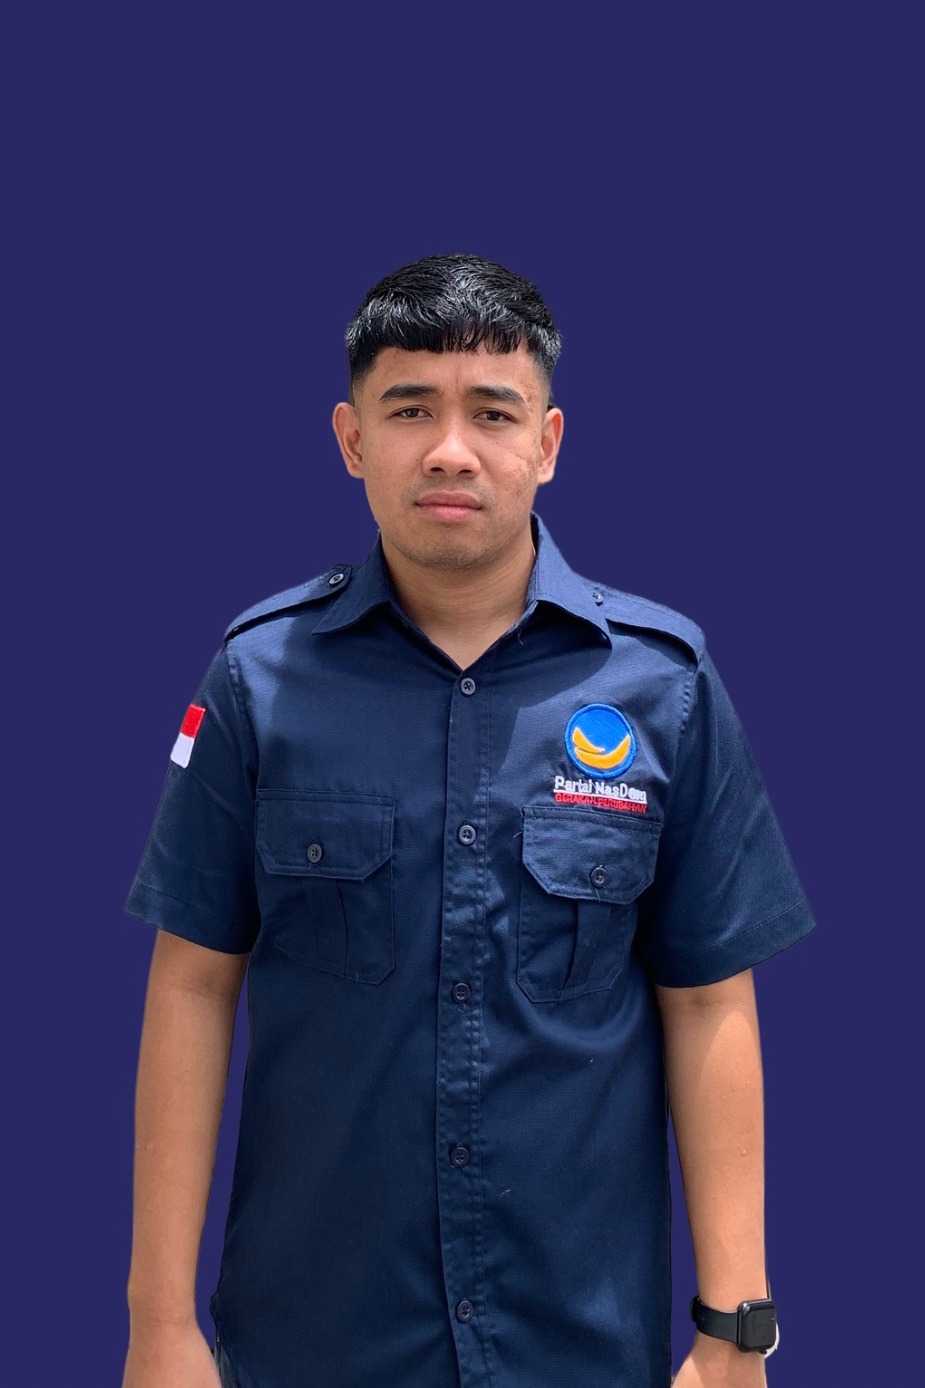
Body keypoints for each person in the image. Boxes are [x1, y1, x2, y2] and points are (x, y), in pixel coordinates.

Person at [121, 253, 816, 1388]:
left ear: (547, 442)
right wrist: (159, 1325)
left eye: (492, 411)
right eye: (410, 409)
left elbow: (706, 1000)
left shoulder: (665, 685)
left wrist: (733, 1328)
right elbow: (193, 982)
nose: (451, 449)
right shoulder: (257, 679)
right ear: (351, 438)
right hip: (315, 1339)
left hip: (577, 1343)